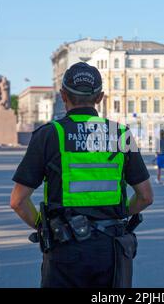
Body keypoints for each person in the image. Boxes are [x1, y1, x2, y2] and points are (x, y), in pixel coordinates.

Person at [10, 62, 153, 288]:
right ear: (100, 97)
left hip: (65, 249)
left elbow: (18, 201)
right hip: (110, 250)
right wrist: (118, 214)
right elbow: (145, 196)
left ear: (63, 95)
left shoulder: (50, 135)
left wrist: (43, 225)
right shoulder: (121, 134)